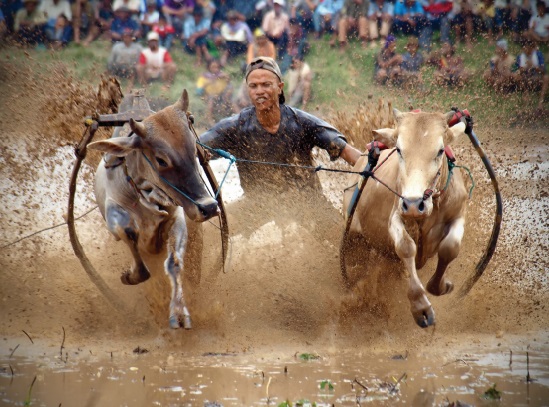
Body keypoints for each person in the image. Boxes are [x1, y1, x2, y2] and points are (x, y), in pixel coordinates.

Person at [199, 56, 362, 243]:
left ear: (280, 87)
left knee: (350, 246)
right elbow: (194, 148)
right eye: (253, 86)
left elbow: (350, 154)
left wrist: (375, 163)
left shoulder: (302, 122)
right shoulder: (235, 126)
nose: (260, 91)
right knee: (206, 236)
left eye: (266, 85)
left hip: (307, 202)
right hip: (257, 204)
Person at [196, 59, 234, 126]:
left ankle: (237, 116)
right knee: (211, 100)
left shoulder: (222, 75)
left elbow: (230, 86)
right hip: (209, 96)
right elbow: (198, 91)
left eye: (217, 67)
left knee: (232, 102)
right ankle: (210, 120)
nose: (215, 69)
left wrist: (227, 78)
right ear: (208, 67)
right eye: (213, 67)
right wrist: (208, 82)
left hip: (222, 95)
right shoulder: (204, 77)